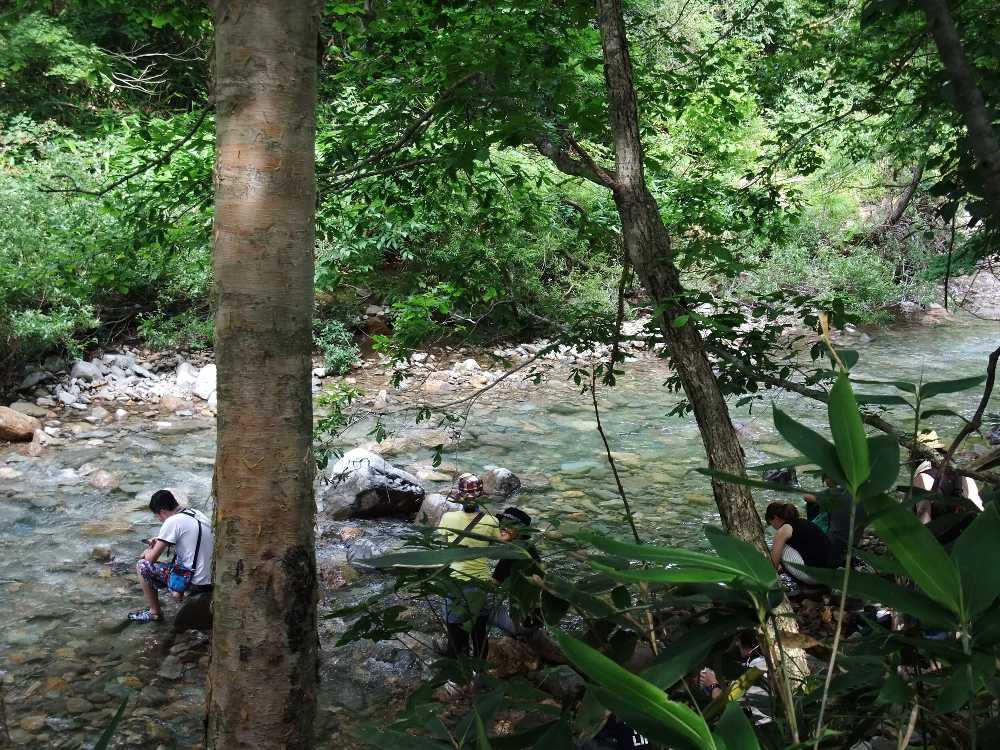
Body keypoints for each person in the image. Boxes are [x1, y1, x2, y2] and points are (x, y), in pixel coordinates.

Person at [436, 473, 501, 659]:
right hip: (481, 583)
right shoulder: (492, 521)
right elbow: (495, 549)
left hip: (455, 583)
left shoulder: (448, 518)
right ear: (481, 496)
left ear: (460, 496)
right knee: (480, 633)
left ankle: (457, 678)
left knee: (456, 633)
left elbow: (442, 545)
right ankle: (479, 676)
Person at [128, 489, 214, 623]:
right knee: (180, 559)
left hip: (196, 581)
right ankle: (177, 592)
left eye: (158, 516)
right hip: (212, 578)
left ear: (162, 511)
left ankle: (154, 612)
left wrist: (147, 551)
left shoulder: (172, 521)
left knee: (142, 565)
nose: (160, 520)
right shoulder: (195, 513)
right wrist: (162, 540)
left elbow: (150, 559)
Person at [912, 430, 982, 544]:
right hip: (969, 534)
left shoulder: (922, 477)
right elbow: (977, 505)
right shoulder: (962, 472)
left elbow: (924, 517)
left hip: (943, 540)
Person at [698, 631, 772, 728]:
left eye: (737, 640)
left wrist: (713, 685)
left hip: (755, 732)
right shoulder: (761, 666)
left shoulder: (757, 671)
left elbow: (728, 707)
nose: (736, 644)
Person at [490, 507, 544, 640]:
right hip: (537, 619)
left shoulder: (513, 554)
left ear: (521, 531)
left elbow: (491, 585)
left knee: (478, 604)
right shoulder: (530, 549)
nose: (503, 528)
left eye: (509, 525)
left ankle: (463, 647)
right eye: (502, 524)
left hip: (523, 624)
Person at [765, 502, 833, 587]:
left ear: (775, 518)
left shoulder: (784, 529)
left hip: (814, 577)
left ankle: (805, 588)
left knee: (780, 548)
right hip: (830, 574)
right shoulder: (805, 523)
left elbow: (773, 564)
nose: (773, 527)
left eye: (770, 523)